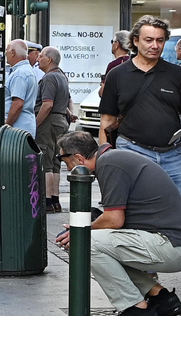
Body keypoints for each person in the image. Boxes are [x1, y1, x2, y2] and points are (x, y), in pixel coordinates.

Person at [55, 131, 181, 316]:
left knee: (84, 243)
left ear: (79, 158)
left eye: (65, 162)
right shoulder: (112, 158)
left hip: (170, 245)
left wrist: (80, 232)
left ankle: (134, 308)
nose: (67, 169)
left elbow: (115, 219)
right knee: (91, 243)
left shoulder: (110, 163)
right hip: (167, 242)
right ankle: (159, 296)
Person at [99, 14, 181, 191]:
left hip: (173, 155)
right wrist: (103, 155)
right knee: (136, 209)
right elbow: (107, 119)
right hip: (131, 151)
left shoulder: (176, 74)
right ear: (136, 41)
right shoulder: (117, 75)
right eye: (149, 40)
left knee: (176, 210)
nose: (155, 45)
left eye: (160, 40)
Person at [35, 47, 75, 213]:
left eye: (41, 56)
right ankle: (55, 200)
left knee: (46, 162)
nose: (38, 59)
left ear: (49, 59)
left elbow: (48, 104)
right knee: (56, 161)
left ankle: (47, 201)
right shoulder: (62, 76)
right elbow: (65, 101)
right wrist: (70, 113)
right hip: (60, 121)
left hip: (49, 122)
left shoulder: (49, 78)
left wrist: (35, 124)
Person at [4, 39, 38, 135]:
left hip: (17, 129)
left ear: (13, 53)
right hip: (25, 125)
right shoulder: (28, 70)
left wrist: (7, 125)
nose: (5, 54)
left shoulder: (20, 74)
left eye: (7, 50)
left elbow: (18, 104)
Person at [99, 30, 131, 97]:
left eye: (112, 42)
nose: (112, 44)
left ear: (117, 44)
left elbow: (103, 92)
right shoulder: (133, 62)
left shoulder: (113, 65)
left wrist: (102, 85)